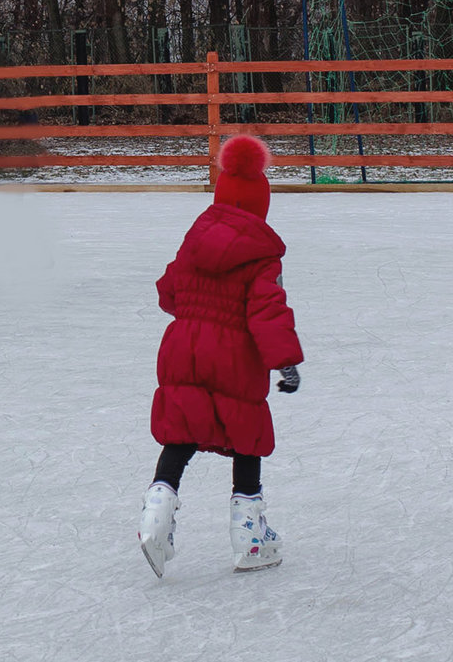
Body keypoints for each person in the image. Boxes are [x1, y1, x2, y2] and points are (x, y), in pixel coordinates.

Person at [138, 134, 303, 577]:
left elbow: (168, 291)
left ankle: (157, 507)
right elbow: (268, 311)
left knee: (181, 430)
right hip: (235, 354)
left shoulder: (195, 239)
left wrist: (196, 308)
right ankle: (251, 538)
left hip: (183, 344)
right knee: (246, 434)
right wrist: (284, 360)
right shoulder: (264, 255)